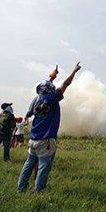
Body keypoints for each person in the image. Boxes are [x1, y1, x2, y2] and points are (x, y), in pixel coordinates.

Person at [17, 62, 81, 192]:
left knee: (28, 165)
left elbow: (46, 85)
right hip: (45, 141)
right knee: (44, 166)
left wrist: (53, 75)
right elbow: (65, 85)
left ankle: (21, 188)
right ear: (49, 91)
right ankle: (39, 191)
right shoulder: (52, 98)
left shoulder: (36, 100)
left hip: (33, 140)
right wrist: (74, 71)